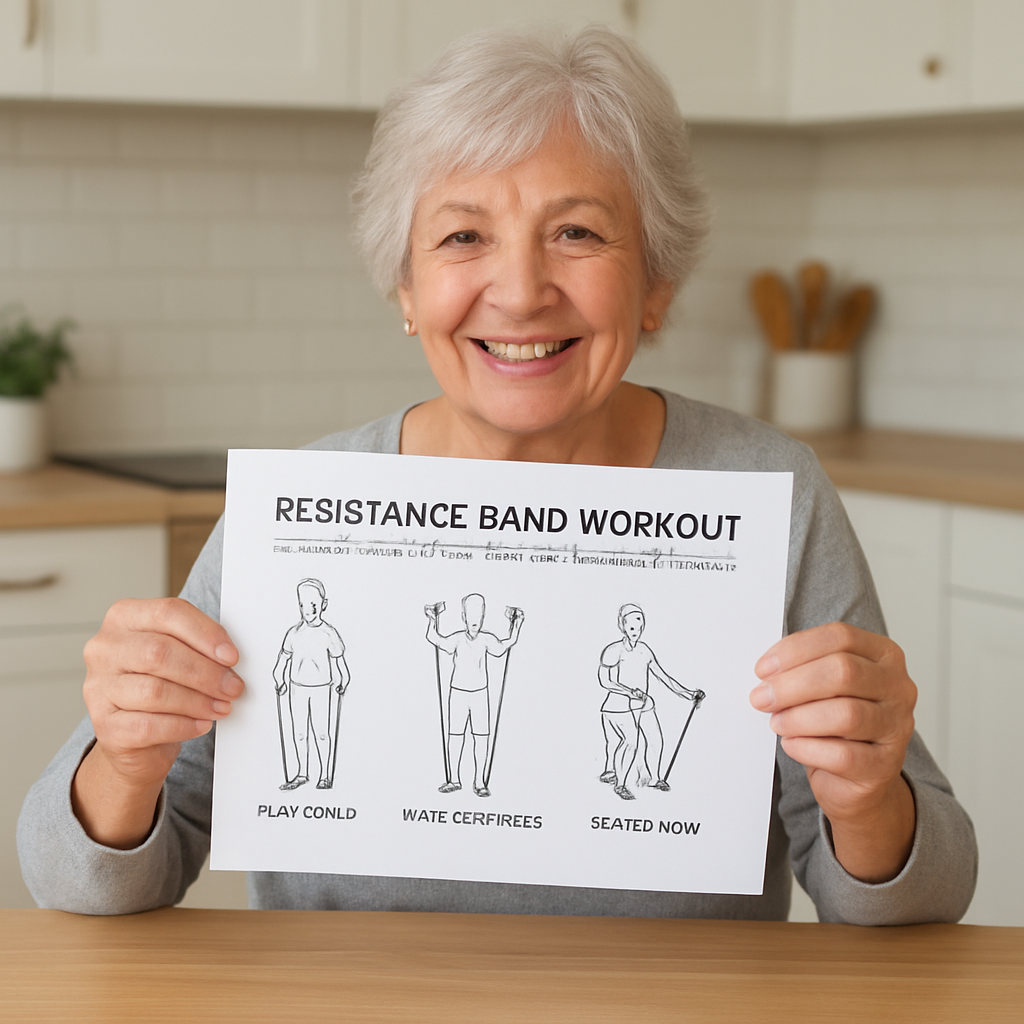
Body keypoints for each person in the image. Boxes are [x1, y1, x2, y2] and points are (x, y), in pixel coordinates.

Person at [19, 25, 976, 923]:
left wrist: (865, 795)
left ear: (656, 285)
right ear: (406, 287)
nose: (519, 293)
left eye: (578, 233)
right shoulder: (306, 513)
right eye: (462, 237)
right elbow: (74, 879)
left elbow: (920, 897)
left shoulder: (770, 494)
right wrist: (128, 759)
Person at [599, 604, 702, 800]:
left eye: (639, 628)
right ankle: (620, 784)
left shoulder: (644, 651)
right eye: (631, 628)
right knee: (630, 742)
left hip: (643, 704)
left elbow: (663, 676)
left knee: (655, 740)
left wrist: (689, 694)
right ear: (622, 626)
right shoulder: (613, 650)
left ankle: (655, 779)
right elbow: (605, 681)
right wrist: (630, 692)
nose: (635, 632)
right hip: (619, 706)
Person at [424, 594, 524, 797]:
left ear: (483, 617)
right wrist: (433, 619)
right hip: (458, 693)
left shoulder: (486, 639)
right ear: (463, 617)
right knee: (455, 736)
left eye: (479, 617)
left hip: (479, 694)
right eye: (471, 617)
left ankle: (479, 782)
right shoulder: (458, 639)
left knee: (481, 737)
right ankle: (454, 779)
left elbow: (504, 646)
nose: (475, 622)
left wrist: (516, 624)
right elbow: (434, 638)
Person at [273, 578, 349, 791]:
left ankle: (324, 775)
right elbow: (282, 661)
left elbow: (340, 663)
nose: (308, 610)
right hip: (297, 688)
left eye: (313, 604)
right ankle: (302, 773)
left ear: (324, 604)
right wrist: (279, 679)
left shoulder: (329, 633)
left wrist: (343, 680)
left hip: (321, 688)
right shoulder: (293, 633)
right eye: (303, 604)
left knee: (322, 732)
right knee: (299, 733)